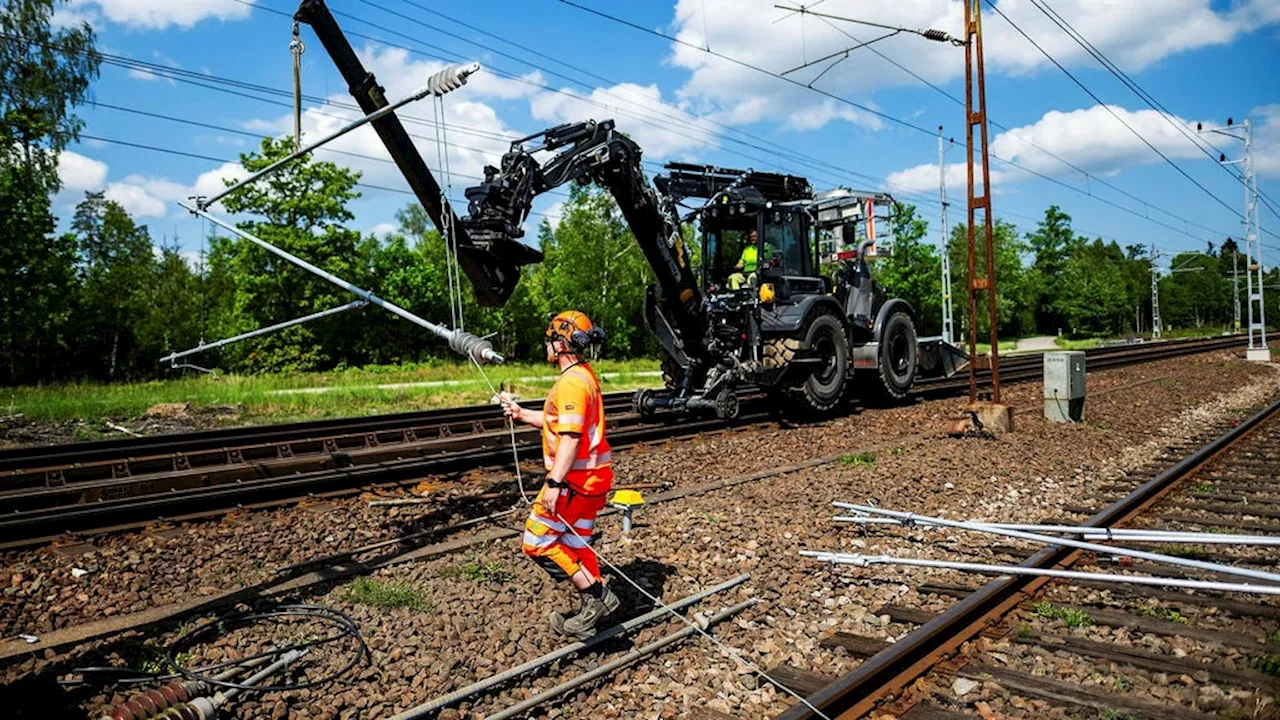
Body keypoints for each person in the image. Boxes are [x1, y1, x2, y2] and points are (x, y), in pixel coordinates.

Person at [499, 311, 620, 637]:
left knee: (536, 541)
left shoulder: (570, 383)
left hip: (573, 483)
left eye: (549, 339)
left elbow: (570, 437)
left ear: (561, 344)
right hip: (591, 481)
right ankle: (595, 607)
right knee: (574, 543)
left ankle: (598, 598)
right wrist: (522, 413)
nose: (546, 345)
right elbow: (562, 424)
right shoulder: (584, 376)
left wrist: (553, 483)